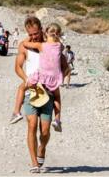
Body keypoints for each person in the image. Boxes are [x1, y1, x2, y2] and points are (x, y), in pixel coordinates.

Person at [11, 17, 69, 173]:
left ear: (41, 29)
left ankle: (42, 148)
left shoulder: (51, 44)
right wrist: (26, 80)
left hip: (48, 91)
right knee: (32, 125)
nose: (34, 37)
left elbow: (64, 65)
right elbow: (17, 67)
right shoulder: (24, 46)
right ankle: (34, 163)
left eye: (36, 33)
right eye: (31, 34)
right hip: (32, 91)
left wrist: (58, 79)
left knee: (45, 131)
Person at [22, 23, 64, 133]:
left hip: (42, 77)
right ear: (58, 34)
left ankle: (16, 111)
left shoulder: (41, 45)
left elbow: (25, 44)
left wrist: (29, 36)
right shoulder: (60, 46)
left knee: (24, 87)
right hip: (54, 78)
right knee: (57, 97)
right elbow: (60, 45)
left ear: (45, 33)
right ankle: (57, 119)